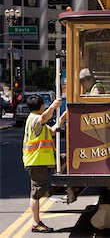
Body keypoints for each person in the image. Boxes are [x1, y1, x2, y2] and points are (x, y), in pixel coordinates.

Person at [22, 94, 66, 233]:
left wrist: (63, 117)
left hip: (44, 161)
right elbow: (43, 118)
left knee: (66, 158)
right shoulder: (35, 119)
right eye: (45, 106)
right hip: (36, 162)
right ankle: (36, 223)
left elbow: (52, 131)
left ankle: (55, 185)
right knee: (36, 194)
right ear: (41, 106)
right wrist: (53, 106)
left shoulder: (36, 121)